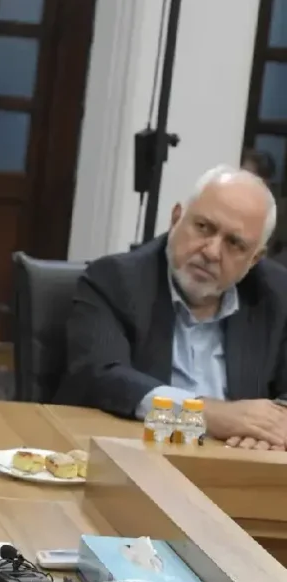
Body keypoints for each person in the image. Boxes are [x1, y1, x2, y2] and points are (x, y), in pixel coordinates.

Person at [54, 164, 287, 451]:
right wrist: (204, 415)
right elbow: (100, 377)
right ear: (176, 218)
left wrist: (275, 425)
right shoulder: (114, 280)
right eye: (204, 227)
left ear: (254, 259)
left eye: (234, 243)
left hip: (238, 462)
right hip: (135, 457)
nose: (212, 252)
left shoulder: (277, 296)